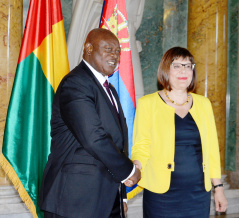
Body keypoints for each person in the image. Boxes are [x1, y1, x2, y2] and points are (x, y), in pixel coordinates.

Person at [39, 28, 141, 218]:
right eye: (108, 49)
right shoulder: (76, 83)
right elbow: (93, 138)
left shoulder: (109, 89)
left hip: (107, 198)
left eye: (118, 51)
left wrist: (122, 196)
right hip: (75, 201)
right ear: (88, 48)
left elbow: (118, 143)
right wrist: (129, 171)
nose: (115, 55)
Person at [131, 47, 227, 218]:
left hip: (198, 193)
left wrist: (218, 188)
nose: (184, 70)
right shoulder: (148, 103)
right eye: (177, 66)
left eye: (188, 65)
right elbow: (141, 145)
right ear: (165, 69)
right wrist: (136, 168)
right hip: (161, 194)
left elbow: (212, 148)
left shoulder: (204, 104)